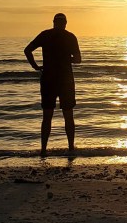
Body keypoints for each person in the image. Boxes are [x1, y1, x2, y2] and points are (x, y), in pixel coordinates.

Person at [24, 13, 82, 157]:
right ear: (66, 23)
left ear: (54, 22)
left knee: (47, 116)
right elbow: (78, 60)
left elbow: (27, 50)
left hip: (48, 79)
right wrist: (68, 58)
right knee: (68, 115)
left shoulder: (45, 35)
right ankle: (70, 148)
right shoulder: (70, 37)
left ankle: (43, 150)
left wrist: (36, 67)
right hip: (65, 80)